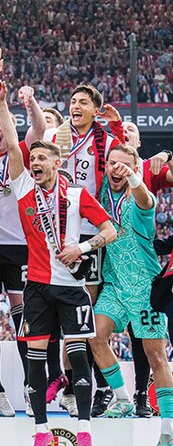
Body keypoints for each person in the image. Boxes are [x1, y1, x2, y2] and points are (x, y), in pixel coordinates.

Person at [0, 79, 117, 446]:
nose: (36, 162)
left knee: (78, 358)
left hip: (73, 287)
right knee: (36, 357)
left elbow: (110, 230)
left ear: (58, 163)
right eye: (33, 160)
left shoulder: (77, 194)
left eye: (43, 158)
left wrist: (83, 247)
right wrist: (0, 103)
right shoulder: (25, 188)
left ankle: (85, 429)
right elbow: (13, 145)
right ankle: (41, 431)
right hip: (38, 289)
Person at [86, 144, 173, 446]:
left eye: (124, 165)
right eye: (112, 163)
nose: (116, 169)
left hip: (146, 290)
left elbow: (145, 197)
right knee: (95, 337)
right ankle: (122, 399)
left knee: (156, 355)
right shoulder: (100, 197)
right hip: (114, 286)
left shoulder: (139, 201)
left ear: (135, 168)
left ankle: (168, 430)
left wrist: (135, 177)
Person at [0, 83, 47, 417]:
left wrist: (30, 103)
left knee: (24, 319)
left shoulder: (20, 151)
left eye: (0, 127)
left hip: (20, 247)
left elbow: (39, 128)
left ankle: (33, 389)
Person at [50, 83, 122, 415]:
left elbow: (126, 160)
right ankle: (70, 381)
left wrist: (117, 126)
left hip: (90, 236)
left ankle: (99, 386)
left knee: (83, 314)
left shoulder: (104, 141)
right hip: (57, 237)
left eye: (83, 102)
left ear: (96, 109)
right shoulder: (57, 137)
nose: (75, 106)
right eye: (73, 101)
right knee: (65, 314)